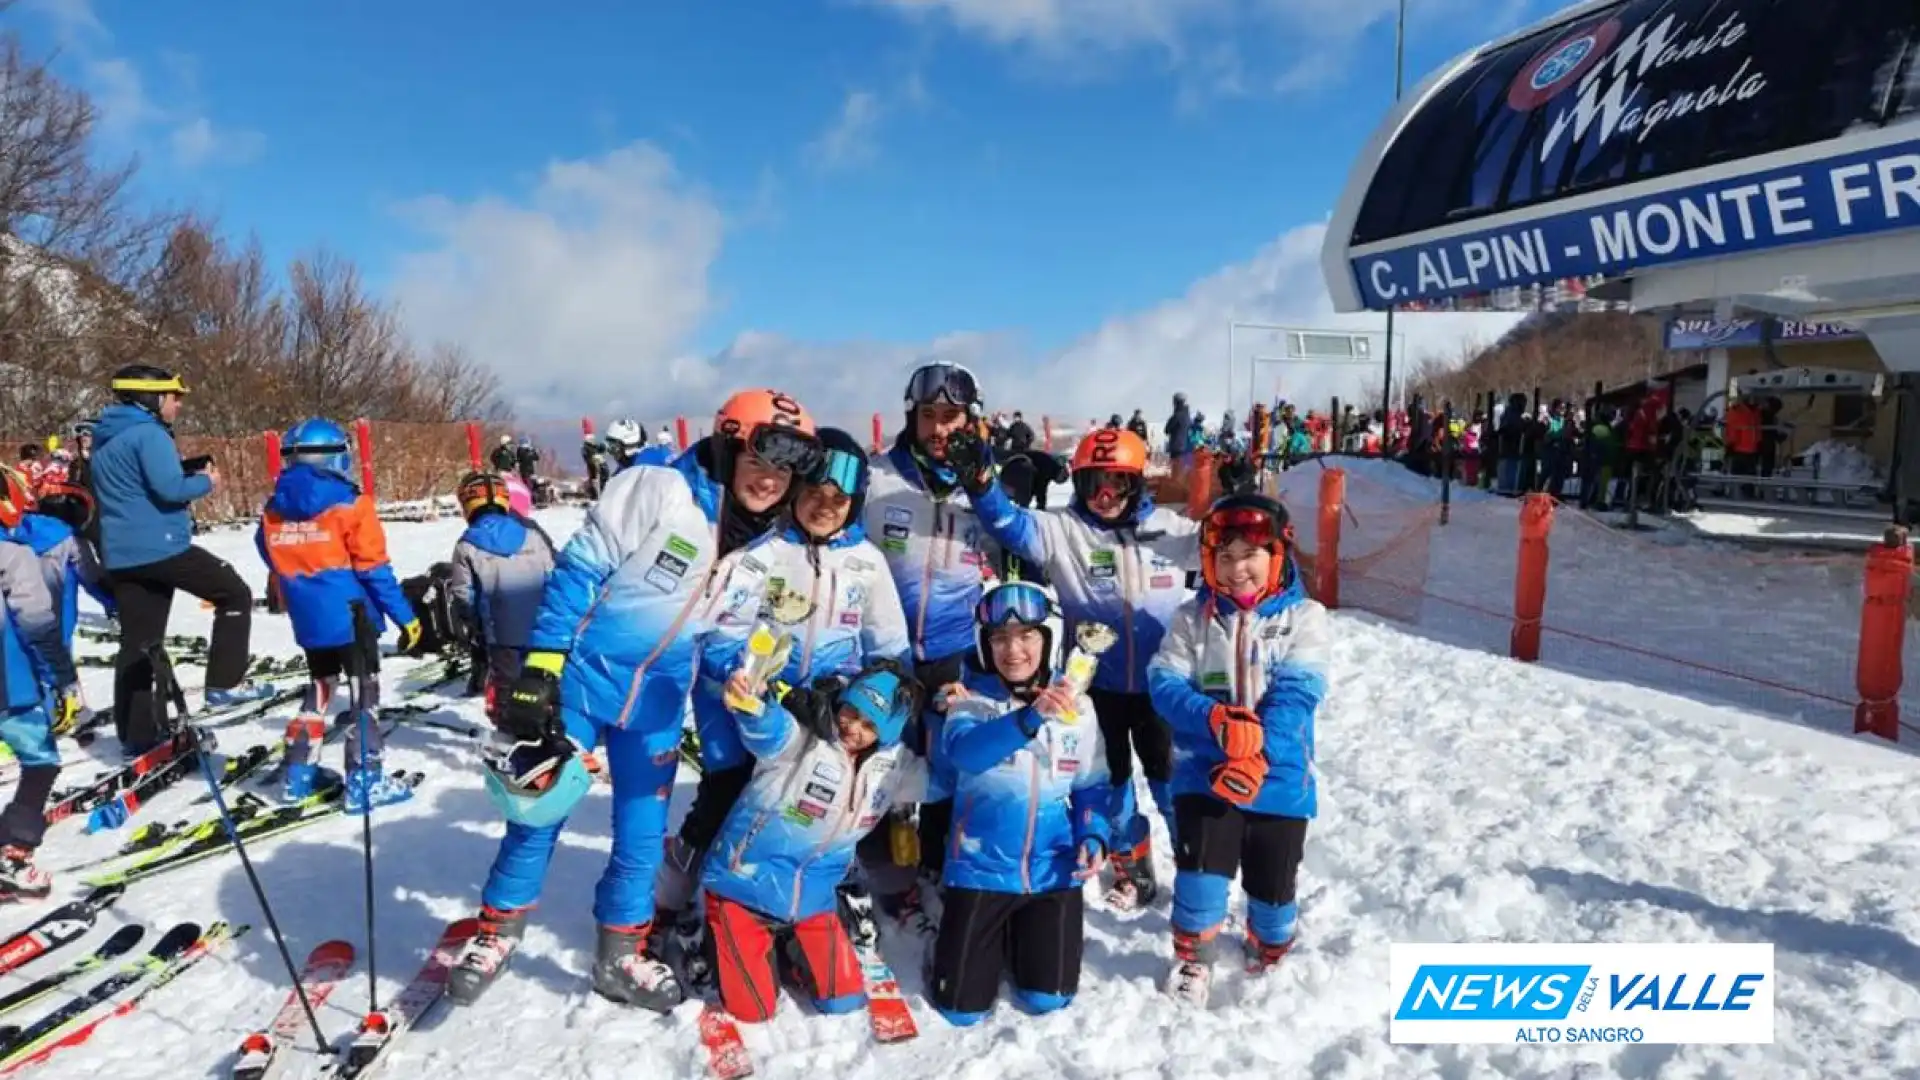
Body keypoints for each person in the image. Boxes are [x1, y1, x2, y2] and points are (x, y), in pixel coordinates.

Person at [445, 388, 821, 1014]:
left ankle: (620, 954)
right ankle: (497, 934)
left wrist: (749, 676)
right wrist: (543, 665)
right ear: (728, 447)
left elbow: (724, 635)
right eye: (759, 463)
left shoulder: (761, 548)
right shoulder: (657, 490)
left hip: (658, 699)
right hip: (589, 681)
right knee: (541, 807)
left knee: (643, 836)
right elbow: (578, 573)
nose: (770, 481)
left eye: (783, 471)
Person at [655, 427, 912, 988]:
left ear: (855, 504)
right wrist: (767, 690)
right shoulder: (762, 555)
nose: (825, 508)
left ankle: (807, 908)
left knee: (821, 809)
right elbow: (721, 637)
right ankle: (674, 905)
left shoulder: (867, 563)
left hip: (832, 714)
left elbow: (889, 649)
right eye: (815, 493)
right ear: (795, 490)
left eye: (839, 501)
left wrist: (877, 699)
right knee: (727, 799)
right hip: (747, 703)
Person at [960, 426, 1197, 909]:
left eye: (1117, 483)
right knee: (1110, 786)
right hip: (1096, 687)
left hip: (1163, 687)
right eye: (1093, 484)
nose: (1104, 496)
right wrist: (982, 483)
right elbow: (1007, 524)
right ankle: (1132, 866)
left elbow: (1235, 557)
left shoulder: (1173, 532)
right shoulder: (1063, 530)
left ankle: (1197, 877)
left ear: (1138, 483)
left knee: (1173, 784)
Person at [1146, 492, 1328, 1006]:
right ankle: (1193, 955)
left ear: (1277, 554)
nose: (1236, 568)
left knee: (1273, 887)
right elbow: (1163, 682)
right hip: (1205, 770)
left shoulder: (1306, 617)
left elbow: (1298, 691)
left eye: (1250, 554)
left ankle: (1269, 947)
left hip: (1280, 777)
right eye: (1224, 556)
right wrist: (1213, 721)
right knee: (1201, 874)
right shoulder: (1191, 619)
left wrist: (1258, 750)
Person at [927, 579, 1125, 1026]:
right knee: (960, 1010)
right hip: (980, 870)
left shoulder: (1081, 708)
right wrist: (1031, 717)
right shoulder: (968, 704)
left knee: (1048, 1001)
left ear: (1049, 639)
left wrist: (1092, 834)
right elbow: (967, 754)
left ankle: (1021, 935)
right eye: (999, 638)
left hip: (1052, 872)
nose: (1012, 650)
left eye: (1027, 636)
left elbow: (1092, 785)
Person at [701, 665, 926, 1023]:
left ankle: (788, 945)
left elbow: (946, 779)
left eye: (869, 726)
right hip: (743, 889)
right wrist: (752, 701)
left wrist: (953, 719)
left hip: (812, 900)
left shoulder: (894, 767)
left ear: (885, 735)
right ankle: (716, 938)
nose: (852, 727)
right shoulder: (803, 739)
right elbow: (768, 729)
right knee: (753, 1010)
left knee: (844, 1000)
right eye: (851, 712)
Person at [863, 361, 1003, 927]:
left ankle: (939, 862)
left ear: (971, 421)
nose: (939, 429)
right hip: (883, 648)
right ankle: (884, 873)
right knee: (881, 759)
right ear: (911, 419)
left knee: (947, 762)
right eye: (929, 417)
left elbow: (1016, 550)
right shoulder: (876, 478)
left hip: (952, 649)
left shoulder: (986, 487)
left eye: (951, 417)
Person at [92, 365, 272, 755]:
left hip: (122, 554)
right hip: (162, 546)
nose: (178, 405)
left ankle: (138, 734)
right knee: (233, 592)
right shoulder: (149, 434)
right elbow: (170, 488)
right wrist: (207, 481)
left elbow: (137, 488)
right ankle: (226, 683)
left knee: (140, 642)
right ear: (151, 398)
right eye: (174, 397)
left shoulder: (104, 437)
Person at [256, 419, 422, 812]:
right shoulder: (352, 503)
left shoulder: (274, 507)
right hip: (353, 616)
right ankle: (365, 779)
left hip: (308, 616)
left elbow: (267, 551)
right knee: (365, 694)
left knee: (319, 690)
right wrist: (405, 617)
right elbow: (373, 568)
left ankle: (299, 773)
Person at [0, 467, 80, 898]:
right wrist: (62, 677)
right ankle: (13, 854)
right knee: (40, 761)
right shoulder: (13, 555)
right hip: (7, 687)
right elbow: (37, 623)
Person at [449, 471, 557, 724]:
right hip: (545, 624)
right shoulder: (532, 533)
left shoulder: (466, 545)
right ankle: (551, 724)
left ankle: (510, 732)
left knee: (507, 686)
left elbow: (463, 593)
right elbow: (555, 570)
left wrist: (473, 625)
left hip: (502, 633)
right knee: (546, 678)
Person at [9, 480, 111, 734]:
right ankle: (62, 712)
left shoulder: (14, 531)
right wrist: (117, 603)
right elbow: (93, 578)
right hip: (52, 623)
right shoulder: (72, 541)